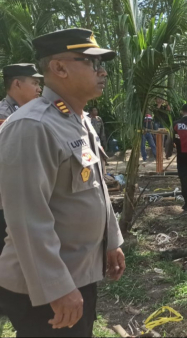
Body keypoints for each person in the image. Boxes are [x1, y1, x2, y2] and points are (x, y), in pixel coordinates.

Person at [0, 28, 125, 337]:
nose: (102, 71)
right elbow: (26, 218)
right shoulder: (32, 126)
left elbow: (95, 189)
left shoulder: (76, 120)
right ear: (58, 67)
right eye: (91, 62)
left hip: (78, 275)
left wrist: (112, 241)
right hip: (43, 288)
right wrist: (56, 288)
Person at [0, 64, 43, 255]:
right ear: (17, 83)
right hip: (7, 204)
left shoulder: (30, 113)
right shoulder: (4, 116)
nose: (39, 88)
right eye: (34, 83)